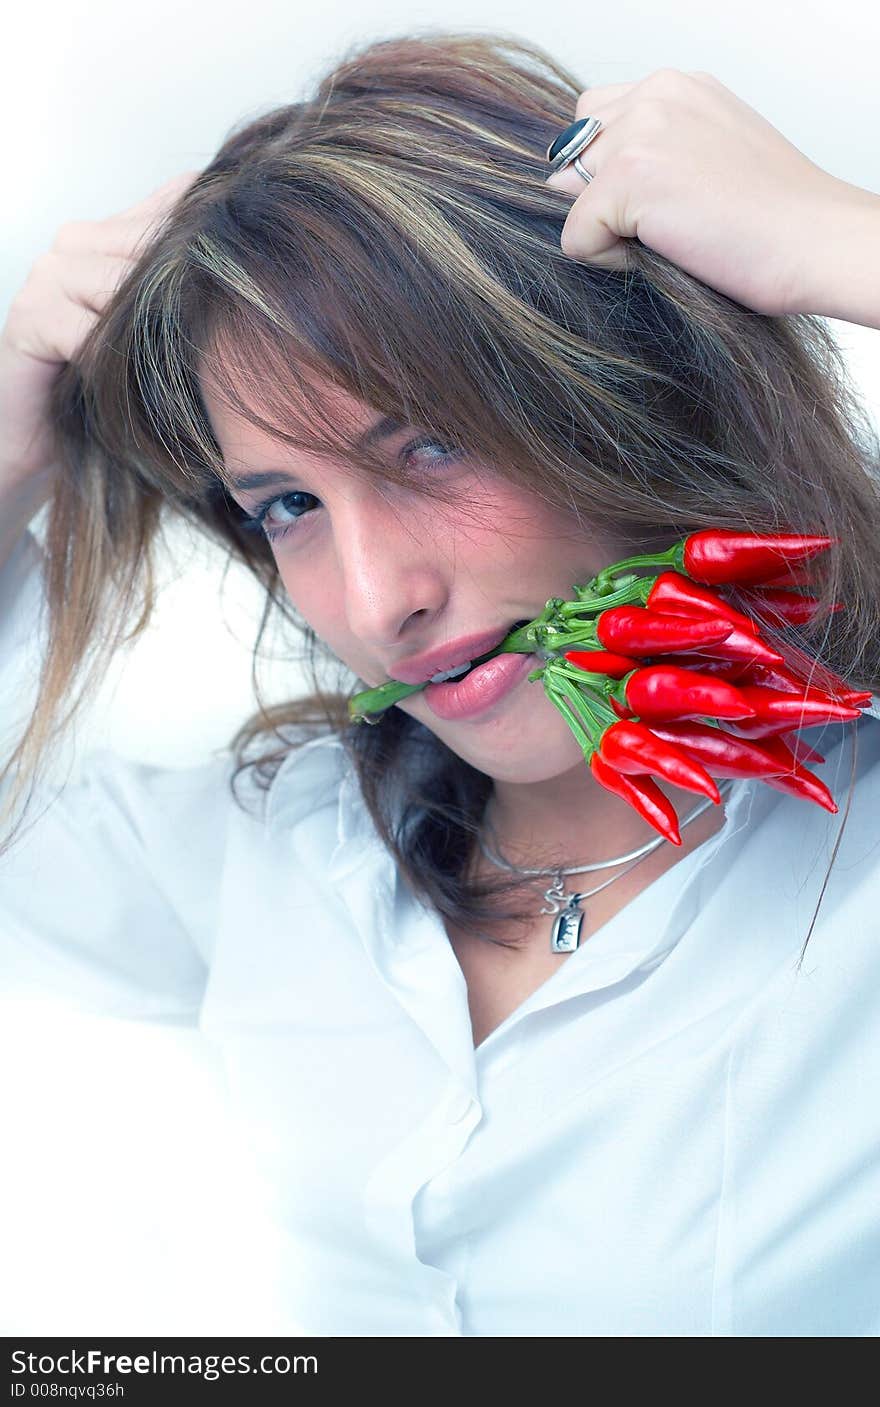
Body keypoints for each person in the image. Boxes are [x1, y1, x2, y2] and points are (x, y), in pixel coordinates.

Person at [1, 31, 879, 1337]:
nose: (374, 602)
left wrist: (843, 240)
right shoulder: (279, 848)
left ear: (632, 396)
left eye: (431, 446)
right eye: (289, 503)